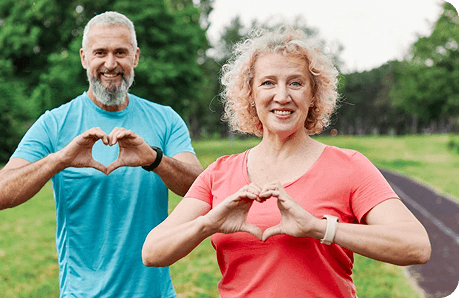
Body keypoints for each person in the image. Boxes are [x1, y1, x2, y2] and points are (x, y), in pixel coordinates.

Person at [141, 28, 431, 298]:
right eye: (268, 83)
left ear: (313, 95)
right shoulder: (220, 172)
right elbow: (152, 252)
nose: (282, 96)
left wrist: (319, 228)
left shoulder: (350, 166)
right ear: (250, 94)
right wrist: (208, 223)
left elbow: (415, 246)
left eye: (295, 83)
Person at [0, 11, 203, 298]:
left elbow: (204, 188)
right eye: (100, 52)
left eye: (121, 52)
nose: (110, 63)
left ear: (135, 57)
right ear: (84, 58)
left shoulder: (165, 119)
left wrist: (153, 160)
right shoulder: (54, 123)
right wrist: (60, 159)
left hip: (154, 292)